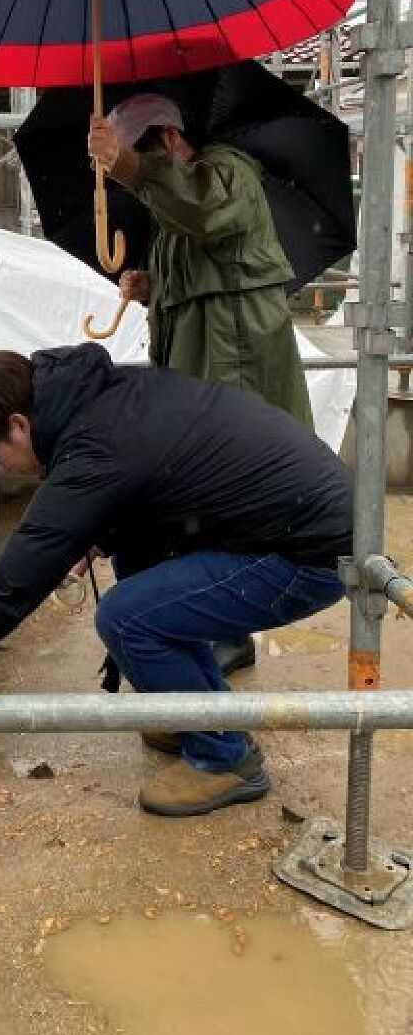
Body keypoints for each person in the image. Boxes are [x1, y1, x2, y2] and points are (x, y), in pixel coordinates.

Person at [0, 345, 352, 818]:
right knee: (137, 575)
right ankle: (192, 714)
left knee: (127, 617)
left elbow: (10, 586)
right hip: (299, 517)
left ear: (18, 425)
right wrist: (98, 535)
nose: (1, 473)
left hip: (309, 552)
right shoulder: (99, 397)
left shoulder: (92, 445)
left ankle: (224, 758)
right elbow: (154, 478)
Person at [89, 93, 313, 675]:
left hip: (233, 367)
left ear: (166, 139)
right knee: (199, 497)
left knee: (229, 498)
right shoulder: (178, 200)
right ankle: (212, 621)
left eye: (142, 157)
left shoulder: (227, 172)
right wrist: (153, 284)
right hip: (205, 365)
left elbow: (210, 217)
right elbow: (202, 259)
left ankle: (230, 632)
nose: (138, 178)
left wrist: (132, 171)